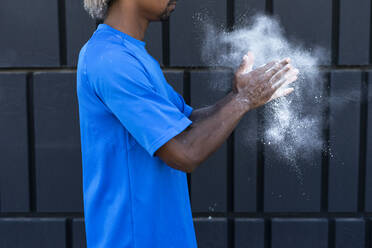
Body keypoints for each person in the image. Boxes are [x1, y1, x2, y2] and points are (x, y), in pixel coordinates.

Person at [76, 0, 299, 247]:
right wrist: (245, 100)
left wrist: (238, 95)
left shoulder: (129, 55)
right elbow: (185, 151)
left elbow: (185, 124)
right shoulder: (112, 60)